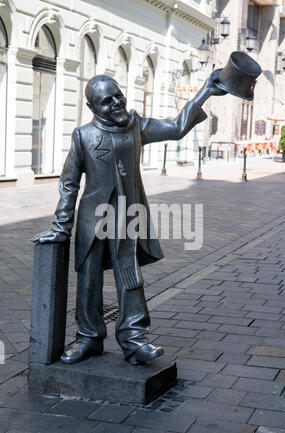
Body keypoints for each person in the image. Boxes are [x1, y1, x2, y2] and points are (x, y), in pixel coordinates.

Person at [32, 74, 226, 365]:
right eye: (106, 101)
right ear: (92, 106)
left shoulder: (137, 125)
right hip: (91, 218)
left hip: (128, 214)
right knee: (88, 280)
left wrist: (206, 91)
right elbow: (69, 183)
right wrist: (61, 227)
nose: (116, 103)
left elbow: (175, 127)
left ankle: (135, 341)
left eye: (118, 95)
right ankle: (88, 339)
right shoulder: (82, 135)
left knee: (129, 275)